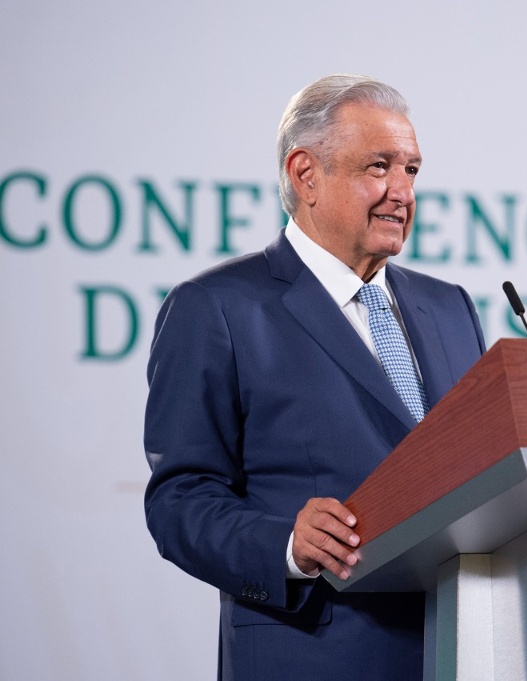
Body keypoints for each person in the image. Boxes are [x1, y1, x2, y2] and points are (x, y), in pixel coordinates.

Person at [143, 74, 486, 680]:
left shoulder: (450, 307)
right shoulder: (217, 308)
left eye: (411, 170)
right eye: (379, 167)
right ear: (306, 175)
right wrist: (286, 546)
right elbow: (180, 500)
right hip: (311, 654)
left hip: (459, 651)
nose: (402, 192)